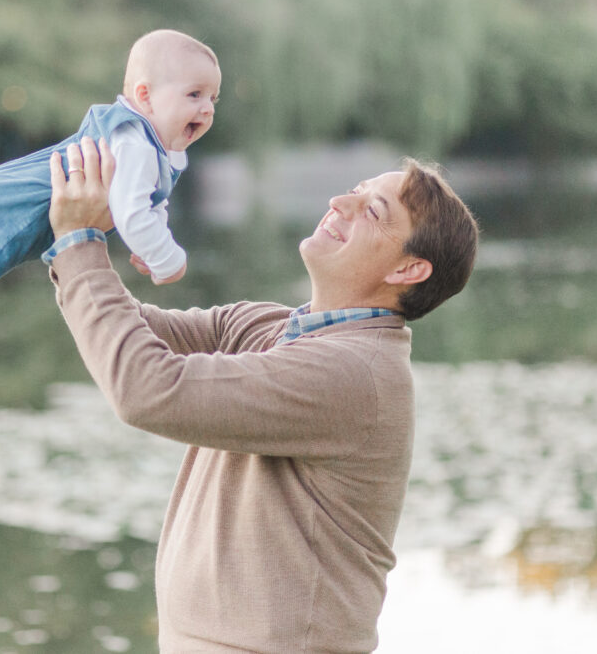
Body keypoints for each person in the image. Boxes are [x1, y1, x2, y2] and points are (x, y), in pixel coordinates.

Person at [44, 138, 479, 653]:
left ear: (407, 270)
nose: (340, 203)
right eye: (356, 190)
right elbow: (122, 323)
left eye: (372, 211)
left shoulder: (353, 373)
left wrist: (79, 243)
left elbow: (147, 387)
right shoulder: (268, 327)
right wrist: (65, 226)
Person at [0, 29, 221, 290]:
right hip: (24, 206)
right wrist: (168, 260)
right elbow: (131, 212)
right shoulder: (134, 143)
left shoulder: (153, 149)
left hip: (20, 203)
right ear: (145, 96)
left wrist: (152, 243)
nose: (207, 108)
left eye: (213, 98)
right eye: (194, 94)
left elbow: (151, 202)